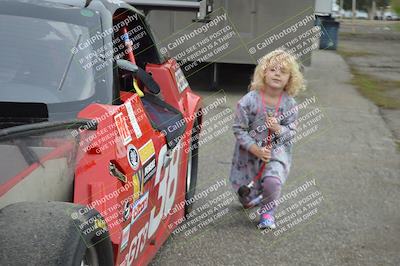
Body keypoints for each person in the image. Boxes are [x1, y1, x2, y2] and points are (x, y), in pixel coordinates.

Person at [229, 48, 305, 229]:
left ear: (290, 78)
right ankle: (249, 199)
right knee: (244, 190)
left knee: (272, 181)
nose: (277, 74)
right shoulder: (249, 101)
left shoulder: (289, 104)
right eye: (272, 69)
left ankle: (267, 213)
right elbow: (238, 128)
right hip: (249, 154)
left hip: (276, 152)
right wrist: (254, 148)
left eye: (283, 71)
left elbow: (292, 132)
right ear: (263, 73)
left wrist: (278, 128)